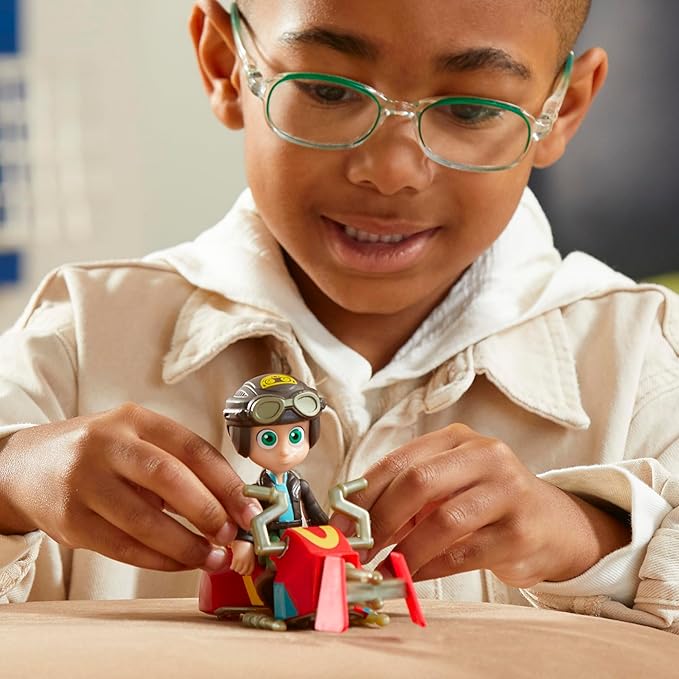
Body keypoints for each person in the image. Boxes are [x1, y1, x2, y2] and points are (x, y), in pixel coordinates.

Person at [0, 0, 676, 632]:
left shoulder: (649, 357)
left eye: (470, 109)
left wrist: (587, 535)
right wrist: (11, 481)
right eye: (328, 90)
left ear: (562, 109)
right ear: (225, 66)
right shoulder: (79, 339)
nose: (391, 169)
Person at [222, 372, 328, 575]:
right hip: (270, 540)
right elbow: (247, 518)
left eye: (295, 436)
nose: (284, 451)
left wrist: (333, 533)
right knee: (276, 567)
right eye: (268, 439)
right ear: (242, 441)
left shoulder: (299, 486)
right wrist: (244, 542)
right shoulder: (256, 491)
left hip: (300, 535)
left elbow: (317, 515)